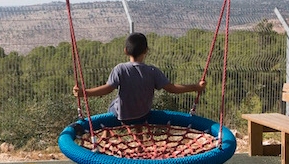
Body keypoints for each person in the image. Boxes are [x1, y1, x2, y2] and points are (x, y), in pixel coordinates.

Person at [72, 32, 205, 122]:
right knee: (134, 109)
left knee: (113, 104)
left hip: (122, 116)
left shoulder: (120, 69)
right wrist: (196, 87)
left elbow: (107, 89)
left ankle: (107, 133)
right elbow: (172, 88)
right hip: (143, 115)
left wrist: (84, 93)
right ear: (146, 50)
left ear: (125, 50)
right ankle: (139, 136)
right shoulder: (153, 71)